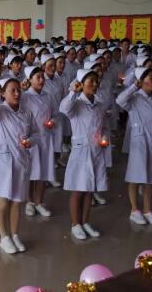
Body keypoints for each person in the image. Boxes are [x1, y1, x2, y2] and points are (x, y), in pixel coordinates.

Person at [0, 78, 38, 254]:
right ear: (3, 94)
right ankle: (4, 237)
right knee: (3, 200)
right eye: (12, 90)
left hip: (21, 159)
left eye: (18, 89)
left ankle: (15, 234)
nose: (17, 93)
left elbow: (36, 133)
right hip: (3, 161)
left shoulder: (26, 112)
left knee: (17, 201)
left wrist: (30, 141)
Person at [60, 69, 108, 240]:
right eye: (91, 81)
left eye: (96, 81)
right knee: (78, 189)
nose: (95, 84)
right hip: (81, 151)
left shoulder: (99, 104)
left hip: (96, 150)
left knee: (89, 190)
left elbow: (103, 126)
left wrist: (104, 137)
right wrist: (73, 92)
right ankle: (76, 224)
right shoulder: (76, 103)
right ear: (81, 84)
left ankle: (85, 221)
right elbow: (63, 108)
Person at [116, 67, 152, 226]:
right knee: (136, 176)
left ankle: (147, 210)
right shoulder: (135, 98)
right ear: (141, 80)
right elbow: (119, 100)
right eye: (150, 78)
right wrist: (133, 86)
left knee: (150, 177)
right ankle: (134, 210)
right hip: (139, 141)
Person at [21, 66, 56, 217]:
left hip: (46, 138)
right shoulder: (24, 97)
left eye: (42, 77)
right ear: (30, 80)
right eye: (38, 77)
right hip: (31, 139)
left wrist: (52, 121)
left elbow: (56, 114)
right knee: (31, 173)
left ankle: (39, 202)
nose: (42, 80)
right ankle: (29, 201)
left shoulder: (49, 96)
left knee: (43, 172)